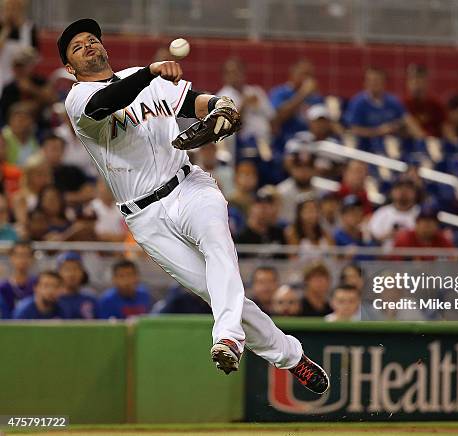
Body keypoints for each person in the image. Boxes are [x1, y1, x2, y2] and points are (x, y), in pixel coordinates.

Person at [59, 19, 327, 391]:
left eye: (92, 40)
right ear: (70, 68)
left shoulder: (143, 77)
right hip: (145, 216)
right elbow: (109, 101)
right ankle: (292, 357)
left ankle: (228, 339)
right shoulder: (77, 100)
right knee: (215, 289)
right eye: (77, 47)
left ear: (104, 48)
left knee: (219, 245)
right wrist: (151, 72)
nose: (88, 45)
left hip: (189, 187)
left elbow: (192, 101)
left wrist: (219, 105)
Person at [345, 67, 424, 151]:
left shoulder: (393, 101)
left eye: (377, 80)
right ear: (365, 82)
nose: (373, 83)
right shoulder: (358, 102)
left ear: (384, 82)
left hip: (392, 147)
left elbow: (408, 121)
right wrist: (379, 131)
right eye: (370, 80)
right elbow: (353, 129)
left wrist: (423, 139)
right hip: (365, 148)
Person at [217, 57, 275, 147]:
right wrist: (244, 104)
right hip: (242, 144)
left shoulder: (256, 91)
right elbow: (229, 127)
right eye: (230, 73)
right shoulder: (221, 97)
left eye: (237, 71)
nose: (235, 75)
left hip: (266, 139)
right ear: (225, 76)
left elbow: (272, 117)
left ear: (243, 73)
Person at [269, 59, 324, 150]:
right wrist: (303, 94)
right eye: (304, 74)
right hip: (285, 141)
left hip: (311, 142)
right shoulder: (280, 93)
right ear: (292, 74)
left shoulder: (316, 97)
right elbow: (277, 118)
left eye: (310, 75)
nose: (307, 79)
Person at [404, 64, 458, 142]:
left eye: (420, 79)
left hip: (434, 145)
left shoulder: (435, 104)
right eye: (412, 79)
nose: (416, 83)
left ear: (426, 82)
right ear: (407, 83)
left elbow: (447, 128)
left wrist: (455, 143)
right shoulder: (402, 104)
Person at [0, 0, 39, 92]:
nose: (12, 12)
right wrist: (6, 29)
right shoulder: (2, 27)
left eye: (16, 8)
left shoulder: (29, 27)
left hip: (21, 79)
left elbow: (35, 54)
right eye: (9, 8)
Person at [368, 179, 420, 247]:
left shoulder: (421, 213)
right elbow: (370, 238)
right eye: (399, 188)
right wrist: (388, 236)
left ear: (414, 193)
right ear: (392, 192)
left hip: (414, 255)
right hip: (385, 256)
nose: (403, 191)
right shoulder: (382, 213)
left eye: (408, 188)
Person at [277, 151, 322, 223]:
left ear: (314, 170)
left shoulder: (323, 190)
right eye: (299, 168)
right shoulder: (281, 192)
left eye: (308, 168)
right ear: (291, 169)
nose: (303, 172)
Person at [56, 251, 98, 319]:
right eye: (67, 269)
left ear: (82, 272)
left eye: (75, 269)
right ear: (59, 273)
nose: (71, 274)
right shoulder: (53, 300)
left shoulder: (91, 299)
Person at [0, 239, 35, 317]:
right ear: (11, 257)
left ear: (32, 258)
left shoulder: (38, 284)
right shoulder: (3, 287)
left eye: (27, 255)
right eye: (19, 255)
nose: (23, 260)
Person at [89, 177, 127, 242]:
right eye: (102, 187)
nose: (105, 190)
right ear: (98, 188)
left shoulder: (122, 206)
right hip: (100, 244)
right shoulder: (92, 207)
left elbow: (128, 233)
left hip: (121, 243)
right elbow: (89, 231)